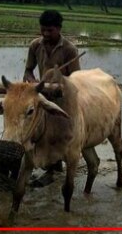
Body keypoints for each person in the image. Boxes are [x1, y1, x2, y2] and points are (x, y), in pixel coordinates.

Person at [23, 10, 81, 187]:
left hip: (61, 97)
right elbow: (28, 70)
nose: (46, 34)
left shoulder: (69, 49)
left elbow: (76, 78)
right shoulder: (35, 45)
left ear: (58, 29)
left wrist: (59, 87)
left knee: (55, 133)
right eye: (43, 30)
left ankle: (52, 170)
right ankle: (35, 162)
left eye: (50, 31)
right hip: (40, 93)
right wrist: (33, 83)